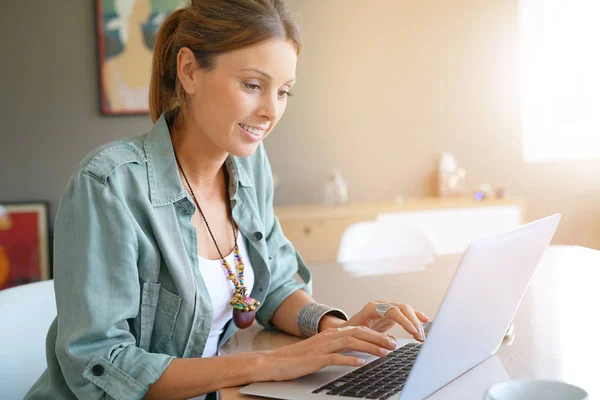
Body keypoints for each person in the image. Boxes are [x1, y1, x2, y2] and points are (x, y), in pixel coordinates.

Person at [25, 1, 429, 399]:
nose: (271, 111)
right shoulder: (109, 185)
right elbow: (101, 365)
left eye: (284, 91)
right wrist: (276, 364)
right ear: (189, 71)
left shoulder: (249, 166)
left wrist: (331, 328)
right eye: (253, 85)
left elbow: (274, 284)